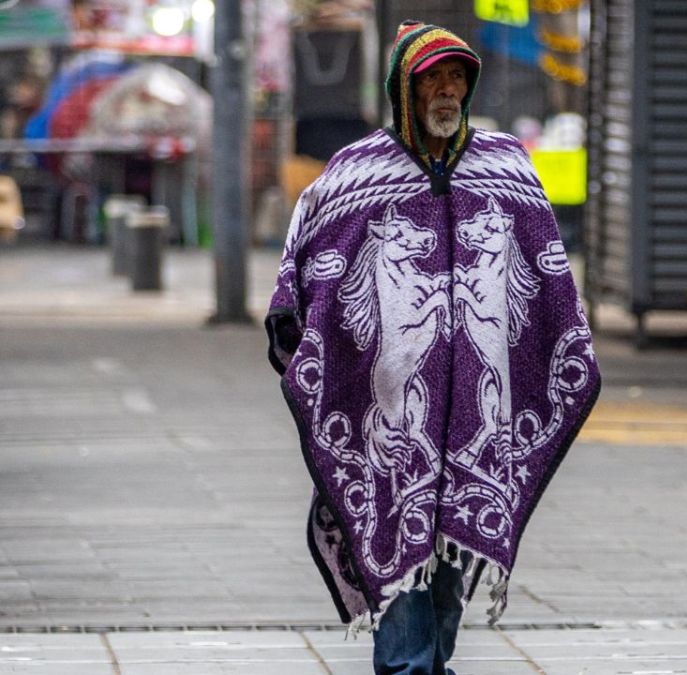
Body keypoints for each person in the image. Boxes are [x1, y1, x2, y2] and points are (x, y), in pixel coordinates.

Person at [265, 21, 601, 675]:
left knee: (452, 559)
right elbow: (305, 267)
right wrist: (305, 335)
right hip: (388, 418)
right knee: (400, 550)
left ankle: (428, 664)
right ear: (404, 89)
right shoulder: (354, 172)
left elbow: (547, 274)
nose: (447, 91)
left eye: (457, 78)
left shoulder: (506, 164)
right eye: (432, 80)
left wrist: (561, 344)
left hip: (483, 416)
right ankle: (411, 668)